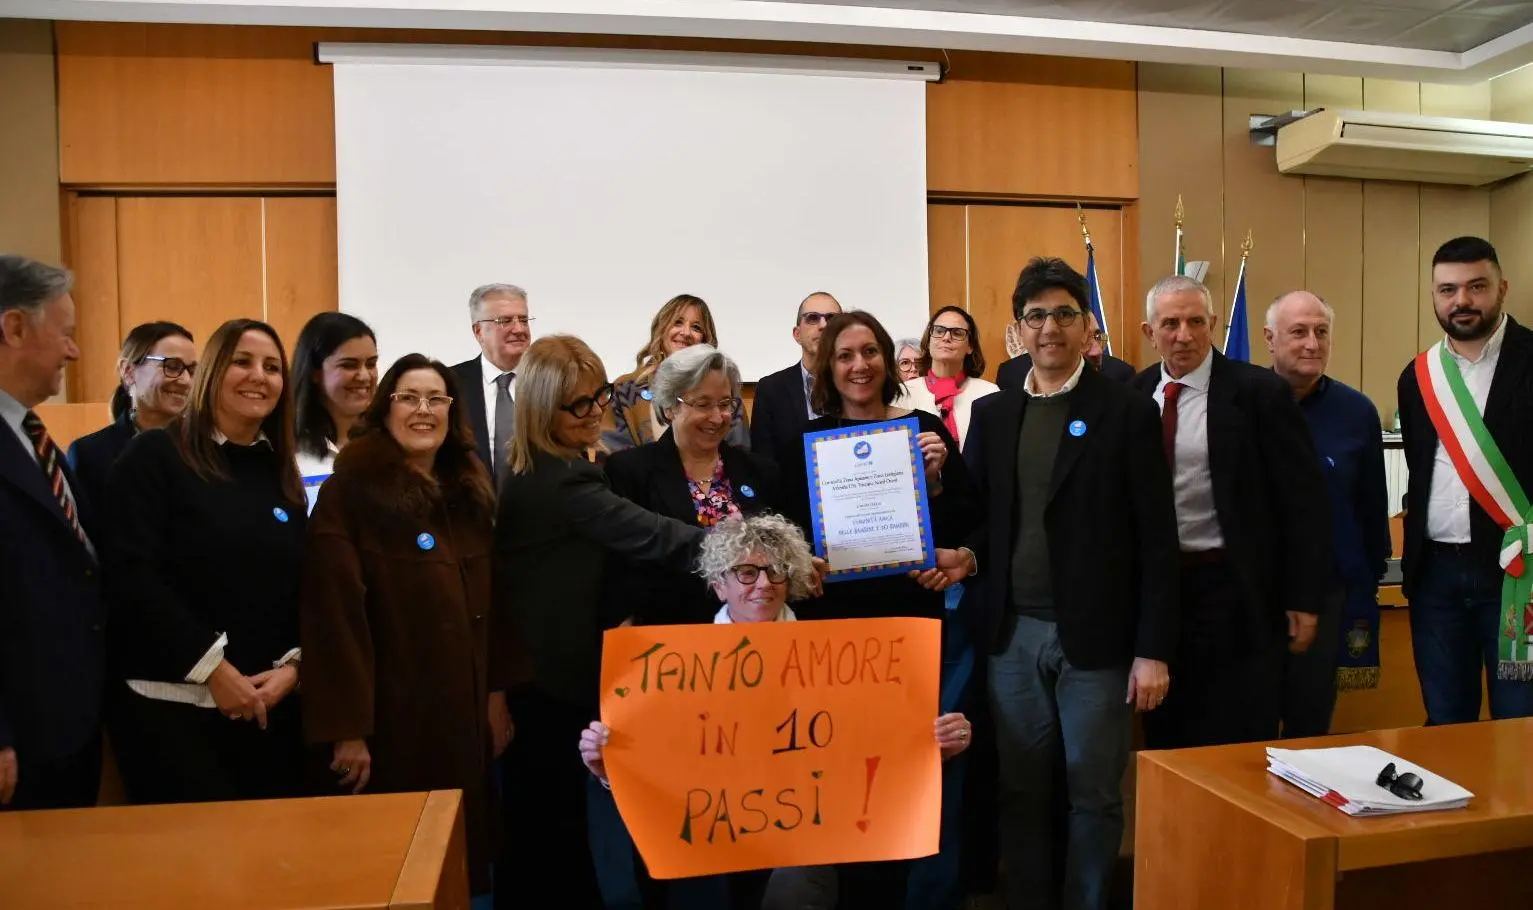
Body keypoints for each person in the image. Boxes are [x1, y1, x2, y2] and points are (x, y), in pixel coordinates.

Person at [577, 513, 973, 910]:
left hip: (810, 841)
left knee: (798, 885)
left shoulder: (843, 655)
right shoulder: (669, 668)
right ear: (719, 586)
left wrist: (936, 749)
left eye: (777, 571)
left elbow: (878, 754)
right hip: (710, 846)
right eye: (746, 572)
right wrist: (606, 771)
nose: (764, 584)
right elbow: (652, 782)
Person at [950, 257, 1179, 910]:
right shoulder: (993, 415)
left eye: (1063, 314)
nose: (1049, 328)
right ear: (1016, 330)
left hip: (1097, 643)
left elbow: (1156, 539)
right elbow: (981, 518)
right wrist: (958, 536)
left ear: (1087, 326)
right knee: (1020, 789)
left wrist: (1152, 647)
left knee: (1092, 792)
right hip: (1012, 636)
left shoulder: (1125, 409)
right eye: (1036, 316)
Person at [494, 334, 708, 909]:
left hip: (543, 674)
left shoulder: (547, 464)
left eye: (602, 396)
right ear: (543, 408)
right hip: (547, 680)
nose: (599, 412)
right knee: (550, 832)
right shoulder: (561, 481)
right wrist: (749, 550)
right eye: (581, 404)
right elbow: (653, 533)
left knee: (548, 828)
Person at [777, 309, 981, 907]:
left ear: (887, 361)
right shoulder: (805, 447)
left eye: (869, 352)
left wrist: (940, 487)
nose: (859, 365)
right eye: (845, 355)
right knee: (838, 779)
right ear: (828, 366)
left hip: (907, 629)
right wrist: (800, 567)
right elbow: (789, 538)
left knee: (901, 781)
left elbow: (972, 526)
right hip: (830, 634)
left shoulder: (923, 431)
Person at [299, 354, 517, 897]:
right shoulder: (350, 492)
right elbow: (334, 616)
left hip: (463, 720)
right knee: (396, 872)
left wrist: (496, 699)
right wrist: (348, 730)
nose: (424, 411)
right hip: (391, 724)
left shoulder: (469, 494)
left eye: (436, 399)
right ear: (384, 409)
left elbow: (498, 609)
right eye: (409, 398)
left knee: (458, 868)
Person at [104, 318, 307, 804]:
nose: (259, 376)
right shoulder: (155, 454)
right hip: (174, 712)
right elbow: (131, 576)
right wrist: (212, 670)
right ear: (213, 370)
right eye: (242, 361)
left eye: (273, 367)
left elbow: (300, 583)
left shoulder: (276, 469)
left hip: (266, 708)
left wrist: (296, 667)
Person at [1131, 276, 1331, 749]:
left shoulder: (1260, 394)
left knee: (1241, 735)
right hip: (1160, 597)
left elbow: (1302, 503)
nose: (1184, 335)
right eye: (1170, 323)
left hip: (1236, 592)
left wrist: (1303, 597)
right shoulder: (1131, 397)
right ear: (1148, 332)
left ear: (1214, 325)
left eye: (1196, 322)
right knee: (1167, 737)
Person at [1397, 236, 1533, 722]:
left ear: (1502, 288)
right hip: (1435, 576)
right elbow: (1419, 467)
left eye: (1476, 286)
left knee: (1521, 725)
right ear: (1433, 296)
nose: (1462, 301)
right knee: (1445, 722)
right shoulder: (1417, 377)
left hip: (1519, 577)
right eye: (1447, 290)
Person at [0, 255, 105, 810]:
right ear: (14, 328)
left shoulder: (37, 439)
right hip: (17, 739)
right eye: (64, 334)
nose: (74, 350)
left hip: (66, 726)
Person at [1264, 291, 1390, 738]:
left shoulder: (1357, 412)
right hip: (1253, 594)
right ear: (1270, 339)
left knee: (1310, 719)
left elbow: (1372, 503)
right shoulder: (1243, 402)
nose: (1312, 344)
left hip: (1328, 592)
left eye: (1321, 332)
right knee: (1248, 725)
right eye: (1298, 332)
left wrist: (1372, 575)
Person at [605, 344, 783, 626]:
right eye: (703, 404)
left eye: (725, 404)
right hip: (668, 640)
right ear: (670, 406)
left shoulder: (760, 472)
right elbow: (621, 570)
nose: (717, 417)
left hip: (752, 640)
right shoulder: (630, 472)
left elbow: (778, 554)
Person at [68, 321, 197, 518]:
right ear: (128, 371)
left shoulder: (206, 451)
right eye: (172, 366)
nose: (186, 381)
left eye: (192, 370)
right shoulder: (90, 454)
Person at [605, 294, 748, 455]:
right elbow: (614, 458)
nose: (686, 333)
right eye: (677, 323)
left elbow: (740, 456)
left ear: (705, 339)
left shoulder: (725, 392)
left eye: (696, 327)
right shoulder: (625, 389)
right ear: (661, 329)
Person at [291, 312, 378, 511]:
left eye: (371, 364)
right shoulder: (286, 449)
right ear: (314, 372)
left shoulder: (389, 443)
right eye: (349, 365)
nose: (365, 376)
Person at [450, 283, 533, 482]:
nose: (519, 329)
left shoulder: (549, 381)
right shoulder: (450, 383)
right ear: (478, 331)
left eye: (523, 319)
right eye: (505, 321)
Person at [749, 292, 842, 459]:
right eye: (813, 318)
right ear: (797, 334)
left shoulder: (859, 385)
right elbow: (763, 463)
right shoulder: (771, 390)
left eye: (831, 318)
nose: (823, 325)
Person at [900, 306, 998, 451]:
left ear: (970, 346)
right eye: (939, 331)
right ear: (928, 340)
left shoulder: (989, 393)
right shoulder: (903, 393)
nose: (946, 337)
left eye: (957, 333)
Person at [997, 312, 1135, 391]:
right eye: (1084, 338)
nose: (1097, 352)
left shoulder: (1120, 374)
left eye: (1098, 337)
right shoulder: (1011, 373)